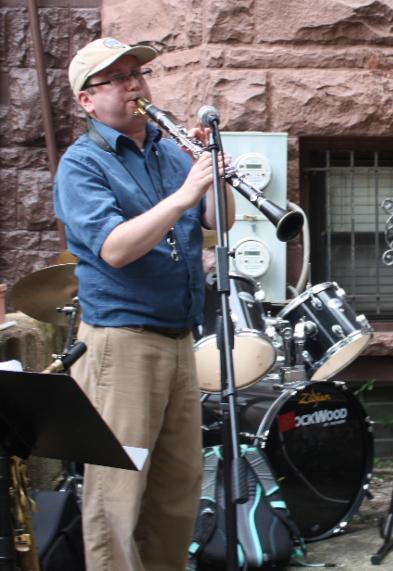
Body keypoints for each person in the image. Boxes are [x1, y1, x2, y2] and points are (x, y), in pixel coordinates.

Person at [53, 37, 234, 571]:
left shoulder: (167, 147)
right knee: (117, 496)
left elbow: (212, 221)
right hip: (120, 347)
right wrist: (183, 193)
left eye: (138, 74)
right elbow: (115, 248)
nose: (135, 85)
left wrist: (211, 172)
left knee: (177, 492)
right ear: (88, 100)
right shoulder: (82, 163)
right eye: (118, 78)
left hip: (179, 338)